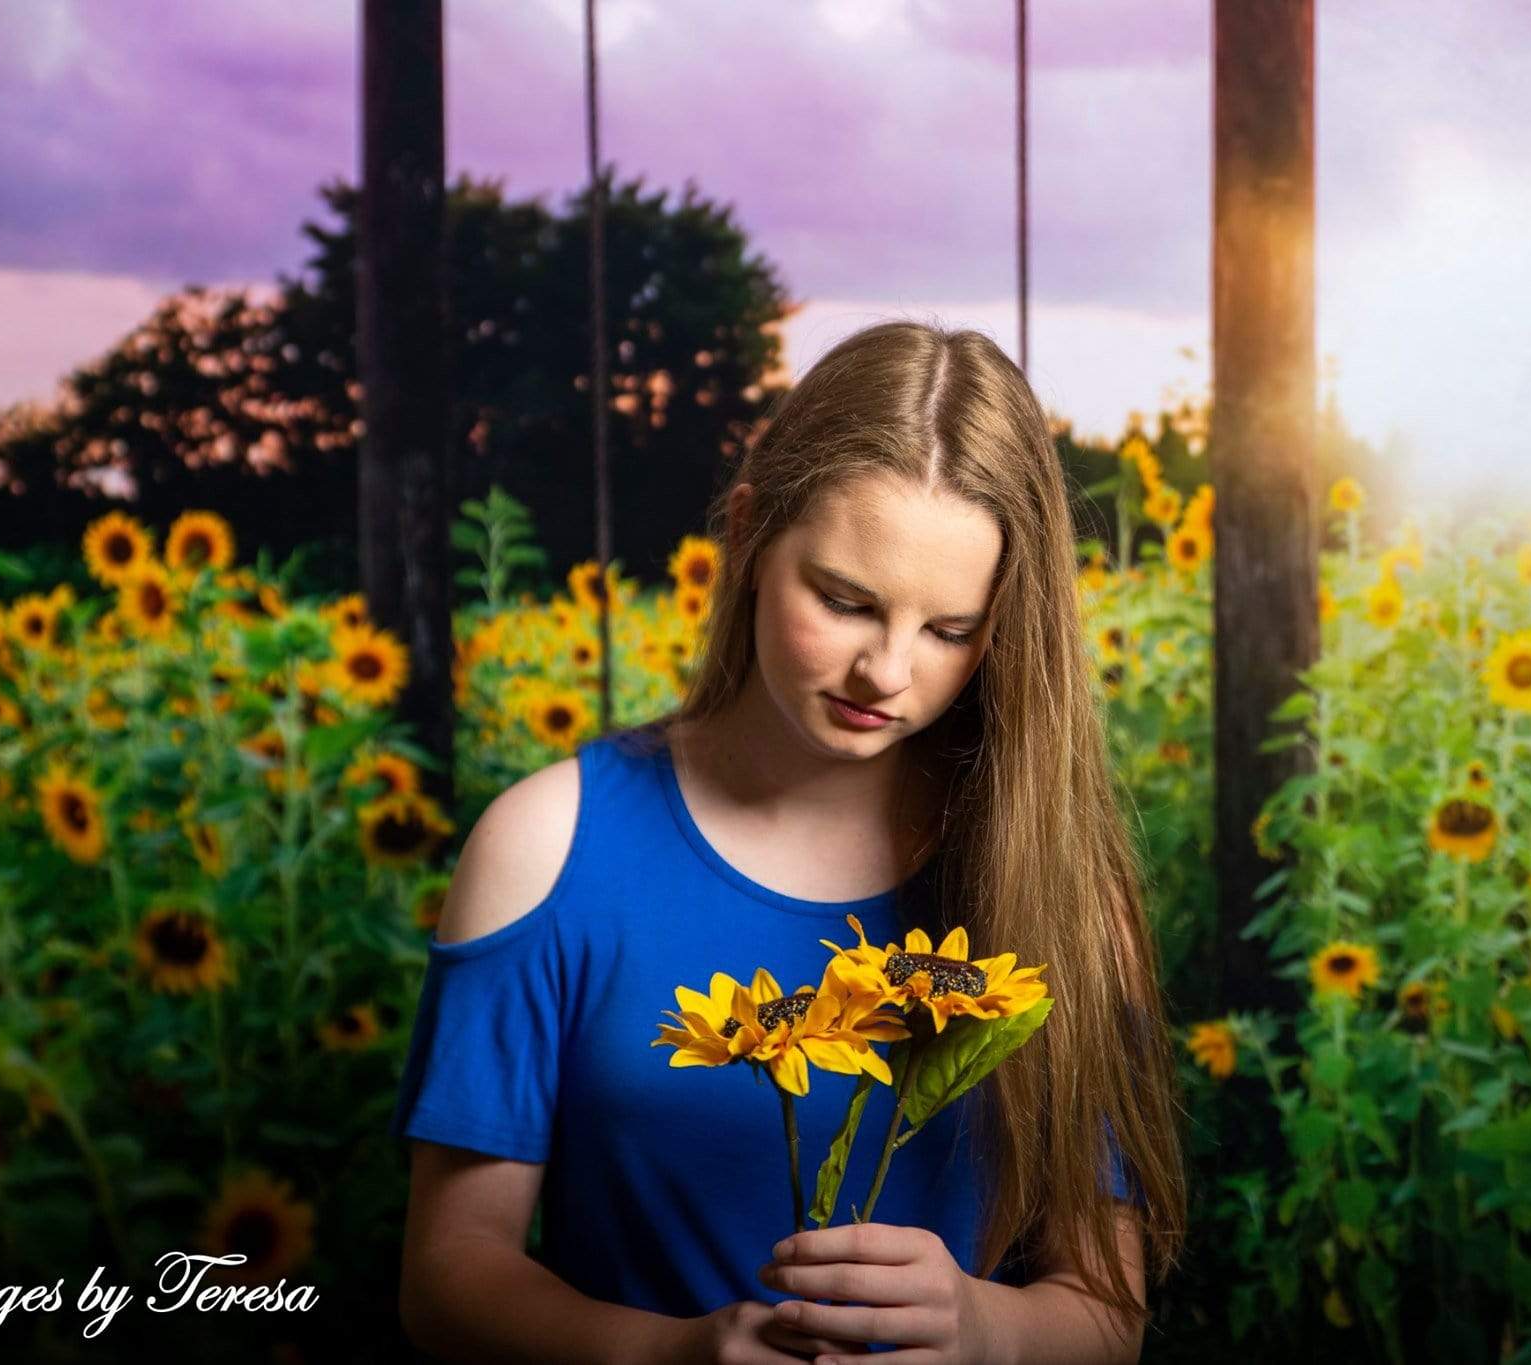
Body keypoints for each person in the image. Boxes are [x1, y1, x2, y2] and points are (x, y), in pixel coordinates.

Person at [393, 319, 1186, 1363]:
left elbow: (1106, 1316)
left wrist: (981, 1329)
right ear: (748, 536)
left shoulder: (1061, 888)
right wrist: (668, 1357)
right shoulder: (546, 850)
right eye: (847, 602)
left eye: (950, 630)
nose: (888, 672)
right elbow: (447, 1278)